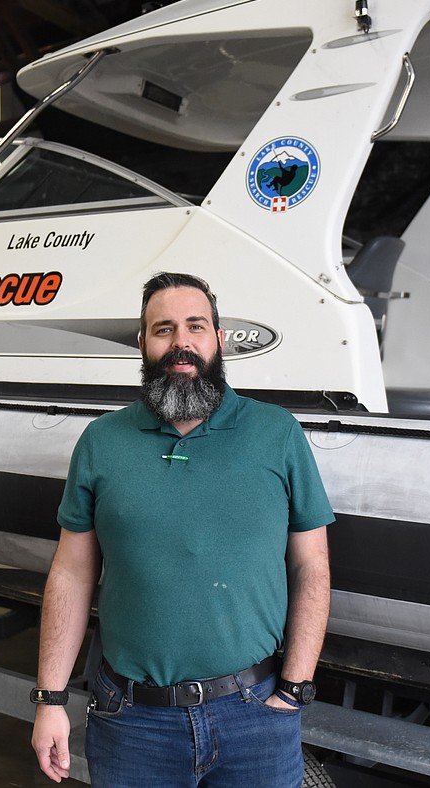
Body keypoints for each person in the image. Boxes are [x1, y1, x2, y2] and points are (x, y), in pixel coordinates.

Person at [30, 272, 334, 786]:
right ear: (144, 345)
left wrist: (295, 688)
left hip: (256, 714)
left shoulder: (277, 434)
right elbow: (71, 573)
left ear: (218, 338)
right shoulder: (101, 442)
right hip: (132, 721)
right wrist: (50, 698)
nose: (182, 342)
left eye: (196, 326)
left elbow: (312, 565)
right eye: (163, 329)